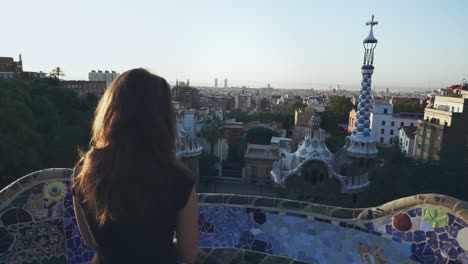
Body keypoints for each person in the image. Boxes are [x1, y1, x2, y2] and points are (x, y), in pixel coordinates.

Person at [72, 68, 198, 264]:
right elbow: (187, 255)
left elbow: (90, 240)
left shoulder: (84, 171)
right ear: (163, 118)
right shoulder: (178, 178)